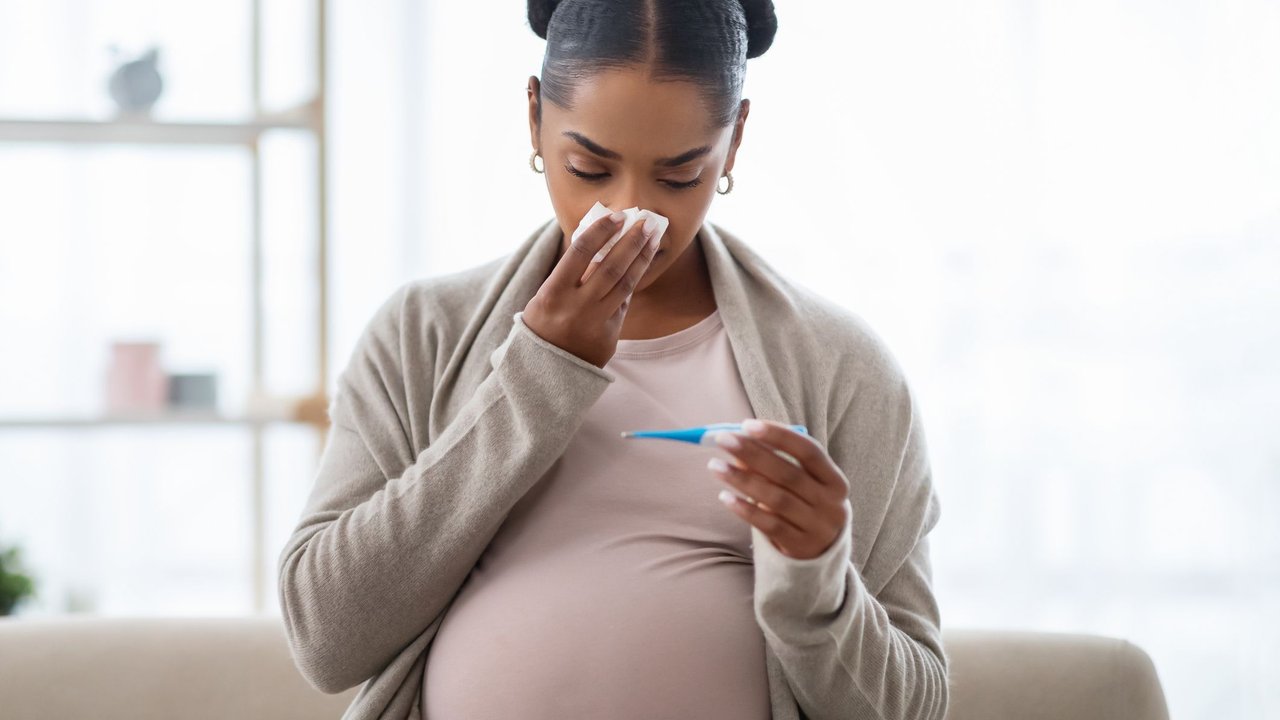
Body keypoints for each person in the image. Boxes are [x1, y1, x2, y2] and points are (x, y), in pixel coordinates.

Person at [277, 2, 950, 719]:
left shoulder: (840, 367)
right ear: (534, 118)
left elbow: (914, 708)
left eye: (680, 177)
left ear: (736, 140)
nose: (633, 216)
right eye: (589, 168)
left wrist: (818, 583)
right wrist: (538, 375)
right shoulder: (423, 333)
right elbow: (327, 641)